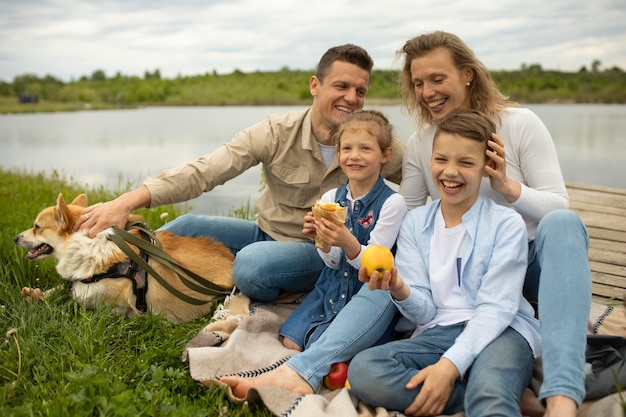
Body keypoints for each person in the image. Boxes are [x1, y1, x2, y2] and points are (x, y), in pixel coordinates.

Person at [71, 44, 405, 303]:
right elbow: (206, 171)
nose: (352, 98)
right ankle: (96, 280)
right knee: (184, 227)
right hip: (265, 233)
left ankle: (288, 289)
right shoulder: (276, 131)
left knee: (250, 267)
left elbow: (430, 178)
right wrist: (129, 200)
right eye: (342, 86)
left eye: (360, 91)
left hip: (326, 253)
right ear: (315, 85)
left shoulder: (375, 143)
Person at [396, 31, 591, 417]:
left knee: (564, 225)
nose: (427, 92)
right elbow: (409, 211)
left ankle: (563, 398)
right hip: (468, 276)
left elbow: (558, 204)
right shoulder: (421, 142)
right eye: (418, 83)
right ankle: (500, 387)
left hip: (531, 263)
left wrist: (506, 186)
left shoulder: (519, 124)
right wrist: (349, 242)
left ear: (468, 74)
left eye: (438, 79)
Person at [348, 108, 541, 417]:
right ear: (431, 160)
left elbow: (497, 309)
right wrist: (399, 287)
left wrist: (449, 366)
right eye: (441, 159)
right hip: (438, 334)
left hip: (501, 331)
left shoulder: (506, 224)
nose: (450, 172)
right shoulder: (415, 223)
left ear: (486, 166)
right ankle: (485, 393)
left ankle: (489, 390)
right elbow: (424, 311)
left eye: (466, 162)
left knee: (490, 388)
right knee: (364, 370)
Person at [279, 109, 406, 352]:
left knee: (328, 348)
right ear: (338, 153)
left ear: (385, 155)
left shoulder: (393, 203)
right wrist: (323, 241)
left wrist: (348, 242)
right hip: (332, 286)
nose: (354, 156)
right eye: (347, 149)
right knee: (291, 341)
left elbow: (374, 265)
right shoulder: (331, 198)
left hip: (364, 292)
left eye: (365, 149)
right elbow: (333, 263)